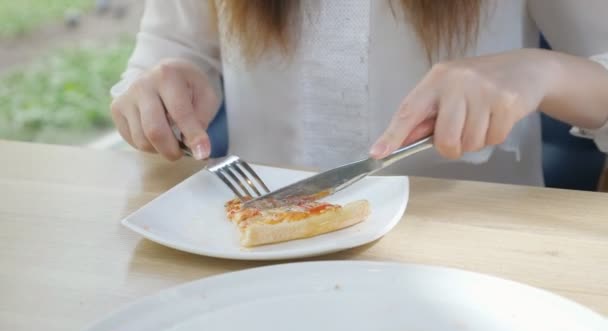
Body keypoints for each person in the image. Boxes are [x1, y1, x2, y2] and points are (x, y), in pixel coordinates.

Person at [110, 0, 608, 186]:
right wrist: (159, 86)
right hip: (261, 246)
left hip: (469, 250)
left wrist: (544, 72)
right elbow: (171, 45)